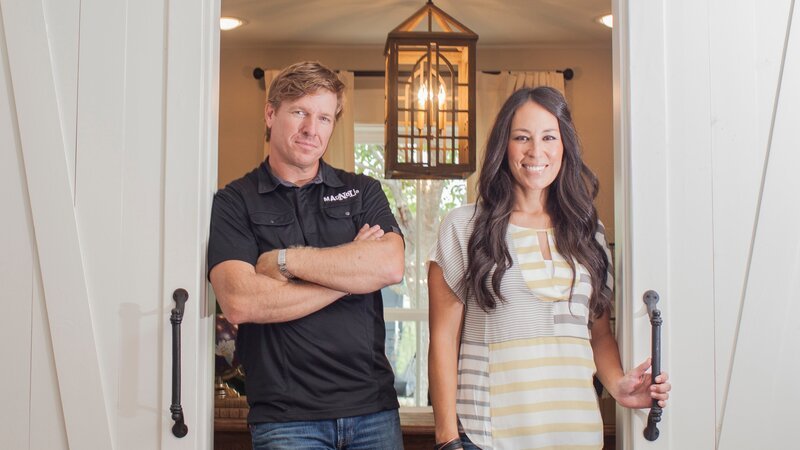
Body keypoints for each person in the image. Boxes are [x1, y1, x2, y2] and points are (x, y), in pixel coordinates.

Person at [428, 86, 671, 450]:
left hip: (576, 436)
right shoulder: (464, 226)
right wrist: (447, 440)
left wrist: (620, 385)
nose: (535, 151)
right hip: (487, 439)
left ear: (564, 147)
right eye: (521, 137)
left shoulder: (588, 231)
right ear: (503, 147)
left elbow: (598, 333)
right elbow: (442, 340)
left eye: (548, 137)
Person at [208, 61, 405, 450]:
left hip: (374, 412)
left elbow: (389, 265)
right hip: (286, 420)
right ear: (271, 113)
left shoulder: (362, 192)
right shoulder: (233, 202)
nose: (311, 129)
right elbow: (240, 301)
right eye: (299, 112)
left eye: (324, 118)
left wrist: (284, 261)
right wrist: (350, 279)